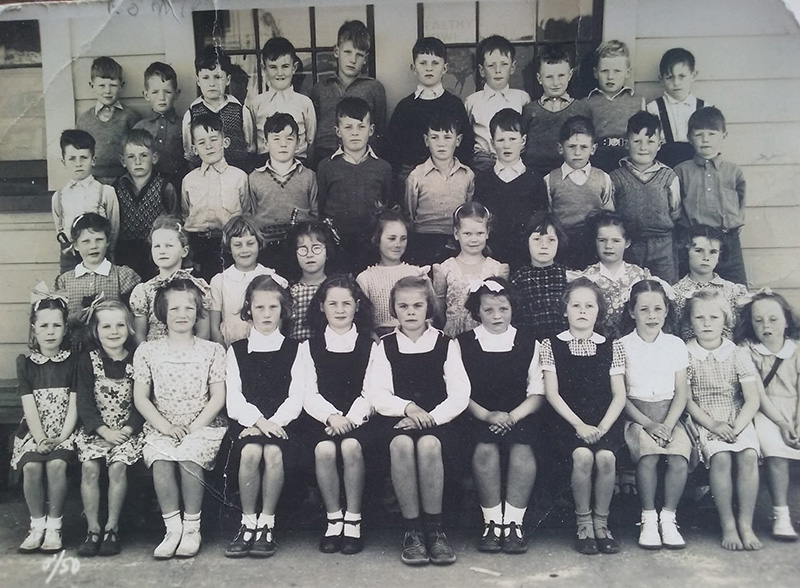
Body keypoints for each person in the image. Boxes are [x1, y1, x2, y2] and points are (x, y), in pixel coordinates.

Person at [364, 275, 470, 566]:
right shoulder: (384, 345)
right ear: (393, 310)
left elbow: (460, 393)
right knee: (399, 445)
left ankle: (434, 530)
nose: (410, 312)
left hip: (439, 422)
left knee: (428, 447)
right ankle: (412, 531)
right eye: (403, 306)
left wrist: (430, 418)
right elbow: (377, 393)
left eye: (417, 305)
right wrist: (409, 408)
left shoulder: (445, 343)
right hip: (397, 419)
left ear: (428, 308)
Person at [133, 278, 227, 559]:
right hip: (163, 424)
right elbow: (141, 398)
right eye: (174, 309)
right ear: (162, 313)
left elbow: (218, 397)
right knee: (161, 460)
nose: (182, 315)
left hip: (202, 425)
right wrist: (166, 427)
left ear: (198, 311)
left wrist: (193, 428)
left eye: (189, 308)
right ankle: (172, 529)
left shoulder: (211, 350)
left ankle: (191, 528)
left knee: (188, 459)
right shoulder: (148, 350)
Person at [541, 277, 627, 555]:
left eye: (589, 306)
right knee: (582, 456)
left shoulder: (611, 345)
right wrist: (578, 424)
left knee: (605, 457)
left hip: (603, 422)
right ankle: (583, 523)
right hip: (567, 422)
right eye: (575, 305)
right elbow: (552, 393)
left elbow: (619, 395)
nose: (582, 311)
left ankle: (602, 523)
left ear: (598, 311)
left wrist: (601, 428)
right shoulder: (550, 345)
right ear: (564, 309)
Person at [458, 278, 544, 554]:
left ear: (512, 309)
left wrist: (512, 417)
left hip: (520, 413)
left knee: (522, 449)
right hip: (479, 414)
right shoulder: (463, 343)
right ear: (477, 312)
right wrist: (487, 415)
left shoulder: (530, 342)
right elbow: (459, 390)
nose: (497, 316)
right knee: (485, 449)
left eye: (503, 309)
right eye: (488, 310)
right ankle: (492, 523)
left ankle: (514, 525)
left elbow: (538, 391)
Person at [224, 274, 306, 559]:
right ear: (249, 310)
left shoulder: (297, 349)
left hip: (284, 426)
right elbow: (234, 398)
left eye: (273, 307)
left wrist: (273, 424)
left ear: (283, 310)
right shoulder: (236, 351)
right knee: (249, 454)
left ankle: (267, 524)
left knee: (271, 453)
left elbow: (297, 396)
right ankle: (247, 523)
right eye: (259, 308)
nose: (266, 314)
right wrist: (259, 422)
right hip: (248, 424)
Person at [301, 275, 376, 554]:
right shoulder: (309, 346)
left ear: (357, 306)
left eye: (346, 303)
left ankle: (353, 520)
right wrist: (332, 417)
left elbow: (371, 392)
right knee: (324, 450)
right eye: (333, 303)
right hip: (323, 420)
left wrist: (351, 420)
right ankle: (334, 519)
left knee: (351, 446)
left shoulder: (370, 345)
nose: (340, 309)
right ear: (322, 307)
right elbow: (308, 392)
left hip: (359, 421)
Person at [684, 290, 762, 551]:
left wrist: (736, 428)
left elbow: (751, 399)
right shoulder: (686, 353)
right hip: (705, 419)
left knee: (748, 455)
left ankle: (746, 524)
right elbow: (687, 400)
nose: (707, 323)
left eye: (714, 317)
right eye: (699, 317)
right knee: (721, 457)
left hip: (736, 416)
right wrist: (713, 425)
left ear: (726, 321)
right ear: (690, 321)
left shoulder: (737, 352)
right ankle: (727, 523)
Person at [619, 280, 690, 550]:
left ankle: (668, 518)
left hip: (671, 414)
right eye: (644, 309)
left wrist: (669, 425)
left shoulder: (674, 345)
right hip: (637, 416)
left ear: (666, 311)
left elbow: (681, 392)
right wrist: (648, 423)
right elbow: (621, 395)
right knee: (647, 457)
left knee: (678, 458)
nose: (652, 316)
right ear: (631, 312)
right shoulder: (622, 346)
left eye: (658, 309)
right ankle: (648, 518)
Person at [75, 300, 144, 557]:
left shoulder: (138, 358)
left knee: (117, 468)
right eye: (106, 326)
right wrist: (102, 430)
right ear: (96, 330)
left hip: (127, 432)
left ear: (129, 328)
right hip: (98, 432)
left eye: (119, 325)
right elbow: (84, 402)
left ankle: (111, 528)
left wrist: (128, 429)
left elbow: (142, 400)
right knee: (90, 467)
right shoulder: (88, 361)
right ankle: (93, 529)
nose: (113, 332)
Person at [12, 290, 77, 554]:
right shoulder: (26, 363)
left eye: (56, 325)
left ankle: (55, 526)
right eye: (44, 326)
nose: (50, 332)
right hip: (34, 430)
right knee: (32, 468)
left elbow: (74, 404)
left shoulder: (73, 361)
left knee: (57, 464)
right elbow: (29, 405)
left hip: (66, 429)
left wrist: (61, 438)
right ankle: (37, 525)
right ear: (34, 329)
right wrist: (39, 439)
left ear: (65, 329)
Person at [735, 290, 800, 541]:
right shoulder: (748, 350)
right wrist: (782, 423)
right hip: (765, 411)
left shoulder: (796, 350)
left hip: (794, 409)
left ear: (786, 319)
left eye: (773, 319)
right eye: (758, 320)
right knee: (776, 451)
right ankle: (781, 514)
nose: (766, 326)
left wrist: (796, 420)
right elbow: (758, 395)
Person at [317, 97, 392, 274]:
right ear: (337, 131)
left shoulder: (383, 168)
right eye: (348, 127)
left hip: (372, 247)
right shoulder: (326, 167)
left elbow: (388, 205)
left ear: (371, 130)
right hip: (337, 248)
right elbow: (321, 208)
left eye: (361, 127)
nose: (355, 133)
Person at [675, 106, 748, 285]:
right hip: (694, 240)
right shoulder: (681, 171)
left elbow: (740, 203)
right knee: (692, 288)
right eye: (699, 134)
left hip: (727, 239)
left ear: (724, 135)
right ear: (689, 138)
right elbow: (675, 207)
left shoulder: (733, 171)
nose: (705, 140)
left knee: (737, 288)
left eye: (712, 134)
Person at [386, 36, 473, 177]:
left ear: (445, 68)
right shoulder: (405, 107)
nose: (429, 69)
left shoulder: (454, 105)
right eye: (423, 63)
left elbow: (465, 146)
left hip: (447, 175)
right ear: (414, 68)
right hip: (411, 176)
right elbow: (392, 150)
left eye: (435, 63)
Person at [609, 112, 681, 283]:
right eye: (637, 141)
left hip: (662, 247)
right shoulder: (615, 178)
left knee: (666, 290)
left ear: (659, 145)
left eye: (650, 142)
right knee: (630, 290)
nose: (643, 147)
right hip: (629, 246)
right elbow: (610, 213)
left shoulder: (669, 177)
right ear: (627, 143)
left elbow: (676, 213)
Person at [473, 108, 548, 271]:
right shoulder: (483, 179)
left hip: (525, 257)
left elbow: (540, 222)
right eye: (500, 140)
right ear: (492, 143)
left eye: (512, 139)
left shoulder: (535, 179)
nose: (507, 145)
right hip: (491, 256)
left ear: (523, 140)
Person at [181, 112, 252, 282]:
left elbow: (246, 212)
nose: (208, 146)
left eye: (213, 139)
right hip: (197, 246)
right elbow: (185, 214)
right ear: (194, 149)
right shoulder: (189, 180)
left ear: (225, 142)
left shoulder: (239, 177)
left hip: (227, 244)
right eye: (201, 142)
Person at [53, 213, 141, 350]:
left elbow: (136, 317)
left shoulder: (123, 276)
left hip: (114, 348)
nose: (93, 246)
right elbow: (57, 320)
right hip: (76, 350)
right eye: (86, 241)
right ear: (75, 246)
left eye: (99, 240)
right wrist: (73, 319)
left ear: (108, 242)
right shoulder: (64, 281)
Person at [310, 20, 387, 165]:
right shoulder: (320, 88)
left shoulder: (374, 88)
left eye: (359, 55)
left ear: (365, 59)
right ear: (336, 51)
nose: (353, 60)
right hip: (324, 157)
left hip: (362, 159)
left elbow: (380, 131)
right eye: (347, 52)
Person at [248, 113, 318, 271]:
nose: (283, 144)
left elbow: (315, 215)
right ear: (266, 143)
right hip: (266, 249)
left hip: (300, 247)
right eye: (276, 139)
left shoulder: (308, 176)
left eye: (289, 138)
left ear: (298, 142)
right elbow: (250, 217)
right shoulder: (254, 178)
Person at [404, 112, 475, 266]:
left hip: (455, 240)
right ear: (426, 140)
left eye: (447, 137)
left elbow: (467, 211)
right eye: (434, 137)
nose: (441, 143)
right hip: (424, 240)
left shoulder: (467, 175)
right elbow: (410, 212)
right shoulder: (416, 175)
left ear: (458, 140)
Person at [544, 116, 614, 270]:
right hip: (562, 245)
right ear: (560, 148)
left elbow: (609, 216)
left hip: (593, 246)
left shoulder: (603, 178)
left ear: (593, 149)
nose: (577, 152)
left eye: (583, 147)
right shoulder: (550, 180)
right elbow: (548, 217)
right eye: (571, 146)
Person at [129, 216, 211, 343]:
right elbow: (139, 334)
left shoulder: (197, 287)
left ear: (184, 251)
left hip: (189, 356)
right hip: (154, 357)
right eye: (157, 246)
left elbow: (203, 332)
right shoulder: (144, 290)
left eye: (169, 245)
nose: (162, 251)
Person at [432, 203, 509, 338]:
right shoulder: (445, 268)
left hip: (486, 335)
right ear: (456, 234)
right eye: (467, 234)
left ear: (487, 233)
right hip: (454, 335)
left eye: (479, 233)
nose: (474, 239)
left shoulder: (496, 269)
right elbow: (439, 309)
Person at [113, 129, 181, 281]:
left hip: (157, 252)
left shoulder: (165, 187)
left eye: (144, 155)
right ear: (123, 161)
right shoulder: (117, 188)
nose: (138, 162)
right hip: (125, 253)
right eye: (131, 157)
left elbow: (176, 221)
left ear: (154, 157)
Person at [209, 215, 284, 347]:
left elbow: (279, 320)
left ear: (259, 244)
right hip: (229, 346)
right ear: (229, 247)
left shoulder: (270, 276)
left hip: (264, 345)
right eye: (238, 245)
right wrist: (225, 352)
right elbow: (214, 328)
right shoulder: (220, 281)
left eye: (250, 243)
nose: (245, 250)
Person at [52, 129, 120, 274]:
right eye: (72, 158)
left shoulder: (106, 192)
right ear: (63, 161)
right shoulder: (58, 197)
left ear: (93, 160)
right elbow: (60, 231)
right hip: (70, 260)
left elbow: (113, 230)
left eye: (84, 157)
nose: (78, 164)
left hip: (100, 256)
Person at [574, 211, 651, 336]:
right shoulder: (587, 277)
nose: (608, 246)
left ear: (627, 243)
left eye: (616, 241)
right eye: (602, 240)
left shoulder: (639, 275)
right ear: (595, 241)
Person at [356, 209, 429, 336]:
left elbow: (429, 316)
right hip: (379, 341)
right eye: (392, 238)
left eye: (403, 239)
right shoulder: (365, 278)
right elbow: (363, 322)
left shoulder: (416, 273)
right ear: (377, 239)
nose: (398, 244)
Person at [521, 45, 592, 176]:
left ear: (570, 75)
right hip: (535, 174)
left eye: (561, 76)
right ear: (539, 79)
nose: (555, 82)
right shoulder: (530, 110)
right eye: (549, 77)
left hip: (570, 174)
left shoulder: (581, 108)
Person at [181, 46, 255, 171]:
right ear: (198, 81)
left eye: (217, 77)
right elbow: (190, 155)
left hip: (235, 175)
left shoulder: (240, 110)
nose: (212, 83)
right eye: (205, 78)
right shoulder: (192, 114)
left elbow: (249, 148)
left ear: (227, 80)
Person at [464, 35, 530, 173]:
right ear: (482, 70)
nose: (498, 70)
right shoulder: (472, 101)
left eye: (504, 64)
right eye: (491, 66)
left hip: (515, 160)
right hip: (482, 163)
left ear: (512, 67)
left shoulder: (522, 98)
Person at [672, 225, 748, 341]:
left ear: (719, 255)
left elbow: (743, 332)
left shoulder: (733, 291)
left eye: (713, 252)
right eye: (699, 251)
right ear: (687, 252)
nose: (706, 257)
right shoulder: (676, 293)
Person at [248, 37, 316, 166]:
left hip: (298, 165)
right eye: (273, 67)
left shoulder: (304, 103)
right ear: (264, 68)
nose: (280, 73)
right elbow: (252, 143)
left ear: (294, 67)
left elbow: (311, 143)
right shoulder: (255, 104)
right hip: (265, 166)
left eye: (285, 66)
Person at [76, 56, 141, 183]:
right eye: (101, 85)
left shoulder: (130, 117)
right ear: (92, 86)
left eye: (113, 85)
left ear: (121, 86)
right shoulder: (84, 120)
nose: (107, 91)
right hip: (93, 180)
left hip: (125, 179)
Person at [584, 40, 645, 173]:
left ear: (627, 72)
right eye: (604, 71)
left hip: (628, 160)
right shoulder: (587, 103)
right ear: (595, 73)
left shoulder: (637, 101)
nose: (610, 77)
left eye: (617, 71)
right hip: (597, 161)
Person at [645, 48, 709, 168]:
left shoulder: (705, 109)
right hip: (665, 169)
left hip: (697, 171)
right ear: (661, 79)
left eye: (682, 76)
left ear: (693, 75)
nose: (676, 83)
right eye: (670, 77)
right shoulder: (653, 109)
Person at [510, 212, 568, 341]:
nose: (544, 246)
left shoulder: (567, 275)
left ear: (559, 242)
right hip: (530, 344)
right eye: (537, 239)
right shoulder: (519, 278)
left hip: (562, 344)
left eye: (551, 240)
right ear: (527, 241)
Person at [133, 61, 187, 187]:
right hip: (149, 186)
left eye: (167, 92)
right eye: (155, 92)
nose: (161, 97)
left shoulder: (184, 124)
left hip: (179, 184)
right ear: (146, 95)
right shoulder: (140, 127)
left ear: (176, 94)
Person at [287, 221, 334, 342]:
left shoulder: (334, 288)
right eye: (303, 249)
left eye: (316, 248)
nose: (310, 255)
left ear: (327, 251)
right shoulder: (290, 290)